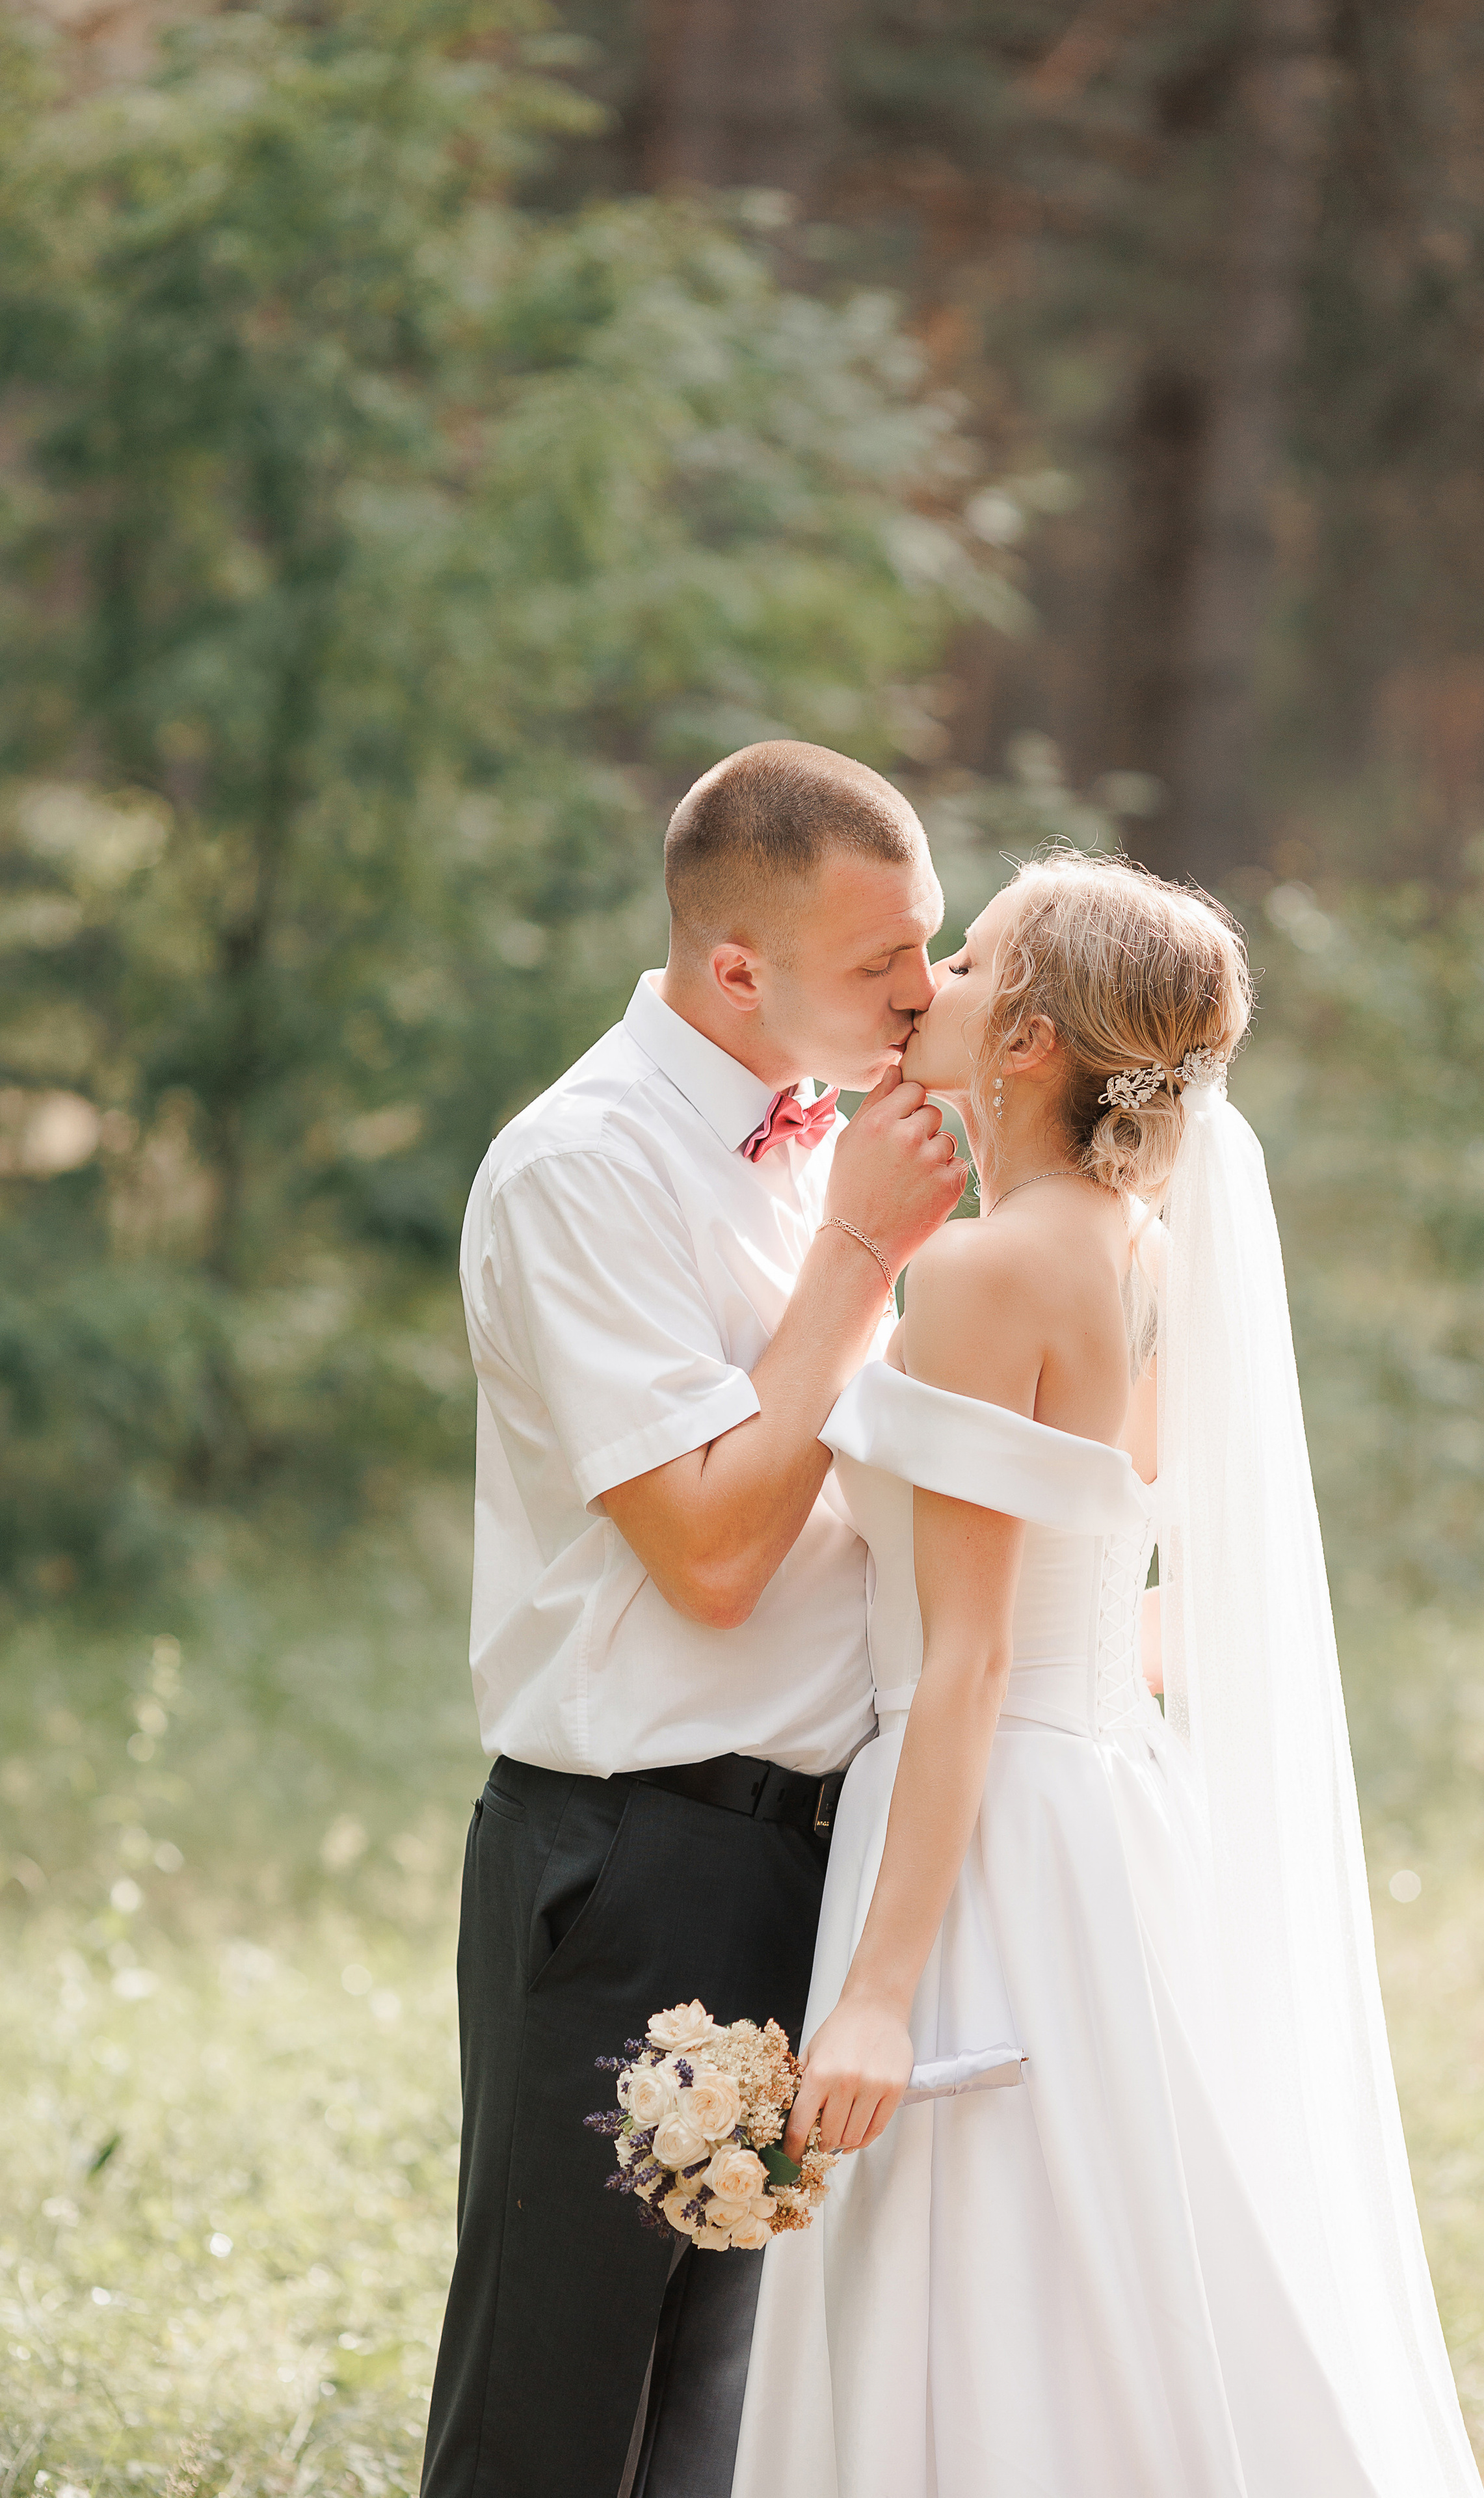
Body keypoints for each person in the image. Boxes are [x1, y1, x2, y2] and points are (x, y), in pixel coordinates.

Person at [732, 853, 1484, 2497]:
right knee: (1116, 2252)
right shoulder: (1130, 1247)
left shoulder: (984, 1273)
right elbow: (1108, 1577)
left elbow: (970, 1657)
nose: (928, 971)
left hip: (986, 1820)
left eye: (974, 955)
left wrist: (870, 1992)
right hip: (1099, 1802)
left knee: (988, 2267)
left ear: (1028, 1044)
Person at [419, 741, 966, 2498]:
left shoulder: (827, 1146)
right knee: (554, 2426)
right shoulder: (582, 1170)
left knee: (716, 2441)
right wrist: (859, 1263)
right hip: (629, 1868)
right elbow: (715, 1556)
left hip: (809, 1856)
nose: (925, 993)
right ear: (738, 966)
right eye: (885, 963)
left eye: (932, 946)